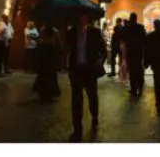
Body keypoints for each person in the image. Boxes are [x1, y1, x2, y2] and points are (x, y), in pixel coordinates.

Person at [65, 12, 106, 142]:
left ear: (87, 18)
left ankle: (95, 116)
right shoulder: (71, 32)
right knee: (76, 100)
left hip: (90, 71)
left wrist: (101, 61)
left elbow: (103, 50)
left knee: (92, 96)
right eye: (79, 17)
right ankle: (77, 129)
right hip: (76, 71)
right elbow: (66, 48)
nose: (81, 19)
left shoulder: (95, 32)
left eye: (83, 16)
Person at [32, 23, 62, 101]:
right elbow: (58, 43)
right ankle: (50, 92)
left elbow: (39, 41)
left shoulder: (43, 30)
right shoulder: (55, 31)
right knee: (51, 73)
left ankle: (43, 91)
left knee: (44, 72)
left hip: (45, 52)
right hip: (51, 52)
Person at [124, 12, 146, 96]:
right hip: (139, 51)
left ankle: (134, 89)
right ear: (136, 18)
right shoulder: (140, 27)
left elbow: (122, 36)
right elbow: (144, 39)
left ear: (130, 18)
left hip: (130, 51)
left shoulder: (128, 27)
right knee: (139, 69)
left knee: (132, 70)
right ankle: (140, 88)